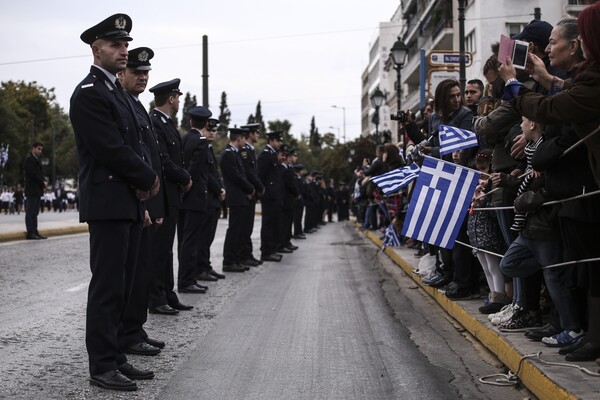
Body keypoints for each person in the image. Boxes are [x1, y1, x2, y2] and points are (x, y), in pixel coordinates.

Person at [499, 3, 600, 361]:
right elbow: (567, 92)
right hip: (568, 194)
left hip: (582, 192)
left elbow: (554, 110)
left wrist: (514, 84)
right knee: (582, 269)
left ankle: (586, 332)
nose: (549, 49)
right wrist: (542, 78)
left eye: (556, 41)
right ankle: (580, 330)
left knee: (586, 267)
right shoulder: (584, 77)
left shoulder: (593, 78)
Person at [70, 14, 160, 391]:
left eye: (125, 44)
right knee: (107, 287)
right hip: (108, 201)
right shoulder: (90, 93)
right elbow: (111, 148)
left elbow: (136, 144)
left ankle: (117, 355)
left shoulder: (117, 93)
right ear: (97, 49)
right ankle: (102, 365)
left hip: (125, 200)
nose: (123, 50)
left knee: (123, 284)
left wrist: (140, 194)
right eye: (115, 45)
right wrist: (148, 178)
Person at [118, 46, 167, 357]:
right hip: (138, 201)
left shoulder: (137, 106)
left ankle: (136, 329)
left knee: (143, 272)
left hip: (149, 201)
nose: (143, 78)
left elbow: (152, 159)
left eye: (146, 73)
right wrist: (148, 206)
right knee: (132, 277)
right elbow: (133, 158)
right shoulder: (127, 105)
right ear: (123, 74)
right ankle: (128, 335)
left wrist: (156, 206)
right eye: (137, 72)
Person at [147, 78, 194, 315]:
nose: (179, 102)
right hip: (163, 195)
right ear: (171, 98)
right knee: (160, 249)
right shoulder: (156, 122)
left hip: (171, 194)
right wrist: (185, 177)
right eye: (177, 97)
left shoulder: (166, 123)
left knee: (166, 247)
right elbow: (164, 161)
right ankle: (156, 298)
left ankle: (167, 293)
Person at [178, 106, 213, 293]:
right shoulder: (201, 142)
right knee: (191, 241)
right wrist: (187, 183)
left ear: (190, 121)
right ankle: (187, 280)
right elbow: (195, 168)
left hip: (183, 198)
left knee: (183, 240)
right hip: (195, 196)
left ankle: (185, 278)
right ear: (206, 123)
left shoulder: (184, 139)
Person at [220, 128, 256, 272]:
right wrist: (250, 189)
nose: (244, 141)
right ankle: (228, 261)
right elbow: (237, 177)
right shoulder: (229, 155)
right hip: (236, 197)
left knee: (239, 230)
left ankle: (235, 259)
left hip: (240, 197)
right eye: (242, 138)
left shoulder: (235, 154)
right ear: (238, 138)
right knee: (234, 230)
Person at [196, 117, 226, 281]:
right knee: (203, 236)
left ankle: (205, 266)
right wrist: (219, 189)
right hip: (207, 197)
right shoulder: (202, 147)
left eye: (214, 131)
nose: (212, 133)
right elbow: (206, 175)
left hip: (213, 198)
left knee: (209, 236)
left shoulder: (208, 148)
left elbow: (215, 173)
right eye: (209, 130)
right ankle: (200, 268)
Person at [239, 123, 264, 266]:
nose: (258, 135)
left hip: (251, 192)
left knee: (248, 226)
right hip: (247, 192)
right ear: (250, 134)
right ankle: (244, 255)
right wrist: (258, 186)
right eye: (256, 133)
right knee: (244, 226)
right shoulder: (244, 152)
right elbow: (248, 173)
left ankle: (247, 253)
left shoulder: (249, 150)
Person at [257, 131, 285, 262]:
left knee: (274, 223)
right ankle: (266, 251)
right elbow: (261, 175)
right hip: (268, 196)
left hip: (275, 195)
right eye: (278, 141)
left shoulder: (273, 155)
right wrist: (262, 190)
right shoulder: (265, 155)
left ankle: (272, 249)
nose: (280, 143)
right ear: (272, 140)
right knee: (268, 224)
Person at [24, 142, 47, 239]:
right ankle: (30, 232)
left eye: (41, 149)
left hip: (36, 190)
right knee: (30, 212)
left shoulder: (36, 160)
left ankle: (35, 231)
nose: (40, 151)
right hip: (32, 190)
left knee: (35, 212)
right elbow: (33, 174)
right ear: (33, 148)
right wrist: (42, 182)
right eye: (38, 149)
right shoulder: (30, 160)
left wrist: (43, 181)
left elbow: (38, 174)